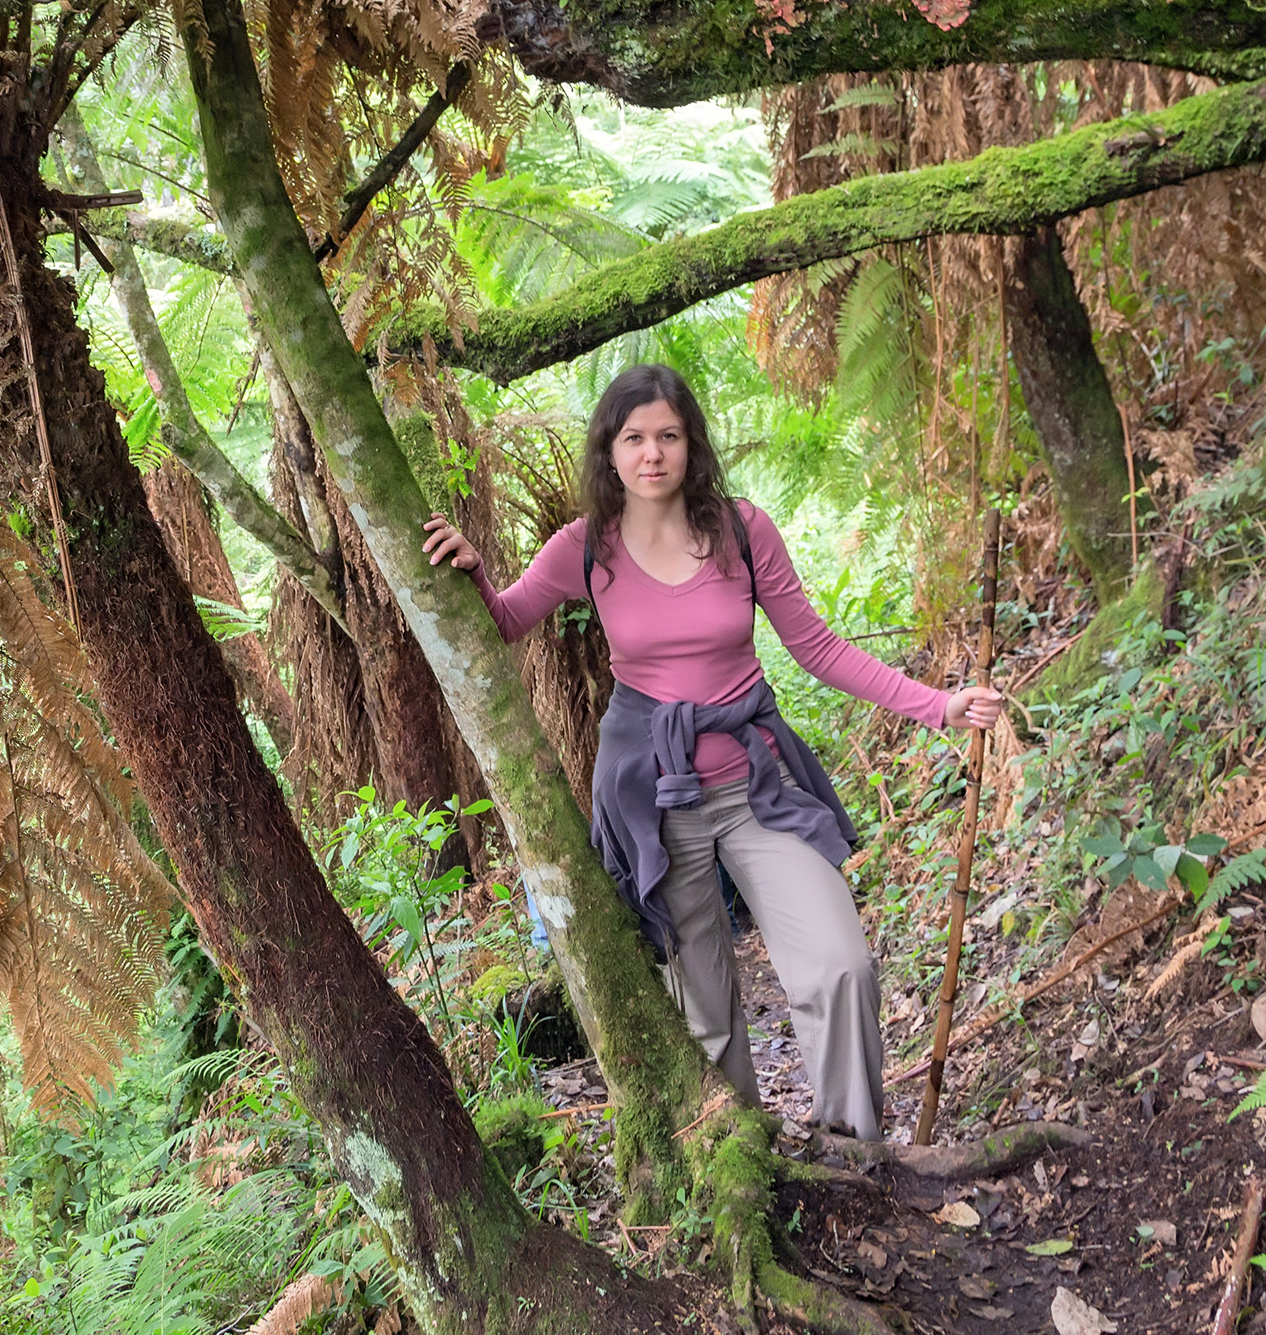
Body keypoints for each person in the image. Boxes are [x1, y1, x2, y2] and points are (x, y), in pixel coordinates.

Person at [421, 364, 1003, 1141]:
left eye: (669, 435)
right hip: (654, 803)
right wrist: (471, 570)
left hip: (756, 785)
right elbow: (499, 624)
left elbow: (818, 648)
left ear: (692, 445)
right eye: (634, 438)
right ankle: (746, 1156)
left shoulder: (741, 531)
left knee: (840, 966)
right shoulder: (583, 548)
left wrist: (938, 706)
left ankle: (851, 1152)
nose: (652, 453)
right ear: (610, 451)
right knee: (705, 1014)